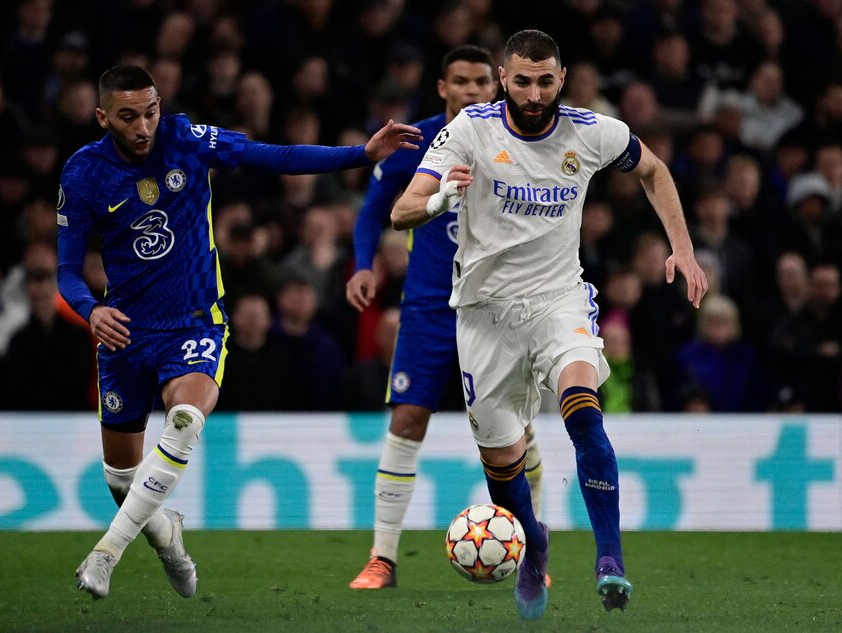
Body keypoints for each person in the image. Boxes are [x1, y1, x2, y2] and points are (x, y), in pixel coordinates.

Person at [56, 64, 421, 600]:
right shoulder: (83, 173)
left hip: (195, 322)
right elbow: (66, 270)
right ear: (102, 116)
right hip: (126, 332)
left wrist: (359, 156)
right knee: (119, 480)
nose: (143, 127)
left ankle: (105, 554)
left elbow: (275, 156)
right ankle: (167, 537)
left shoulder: (184, 139)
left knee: (184, 419)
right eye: (128, 116)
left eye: (150, 112)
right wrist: (90, 310)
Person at [390, 30, 708, 618]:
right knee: (502, 464)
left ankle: (610, 560)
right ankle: (534, 546)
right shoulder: (469, 131)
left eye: (545, 81)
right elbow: (401, 209)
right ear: (504, 80)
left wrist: (683, 250)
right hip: (484, 316)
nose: (534, 93)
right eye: (521, 81)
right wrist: (440, 200)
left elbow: (655, 171)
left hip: (558, 300)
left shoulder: (592, 132)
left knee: (583, 409)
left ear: (561, 78)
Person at [346, 44, 546, 591]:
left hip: (502, 305)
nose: (472, 91)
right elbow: (372, 211)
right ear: (443, 87)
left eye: (482, 81)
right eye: (460, 81)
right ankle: (381, 559)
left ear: (499, 83)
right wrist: (364, 266)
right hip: (431, 304)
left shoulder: (526, 138)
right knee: (407, 419)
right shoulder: (416, 142)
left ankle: (533, 557)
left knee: (517, 429)